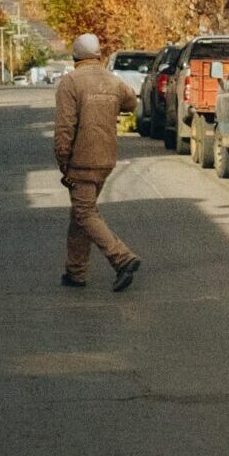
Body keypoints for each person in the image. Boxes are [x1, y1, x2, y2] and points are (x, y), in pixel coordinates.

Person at [52, 33, 141, 291]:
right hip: (106, 159)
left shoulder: (71, 82)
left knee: (84, 212)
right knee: (81, 213)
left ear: (75, 57)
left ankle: (122, 258)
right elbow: (131, 102)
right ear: (98, 55)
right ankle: (76, 271)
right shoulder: (112, 80)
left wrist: (62, 158)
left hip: (80, 161)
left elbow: (65, 126)